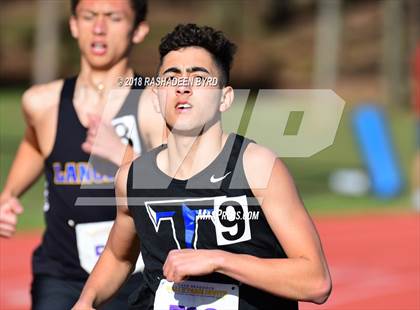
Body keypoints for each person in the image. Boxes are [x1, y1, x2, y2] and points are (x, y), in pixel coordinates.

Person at [73, 24, 332, 310]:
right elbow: (118, 256)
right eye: (171, 78)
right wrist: (86, 301)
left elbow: (316, 282)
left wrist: (218, 260)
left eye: (199, 78)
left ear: (225, 98)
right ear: (157, 97)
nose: (183, 87)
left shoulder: (257, 167)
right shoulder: (133, 178)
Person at [0, 0, 163, 309]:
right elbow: (35, 144)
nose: (98, 28)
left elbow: (182, 187)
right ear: (74, 25)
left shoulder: (156, 104)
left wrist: (124, 155)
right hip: (60, 274)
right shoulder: (42, 102)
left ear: (138, 29)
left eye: (114, 17)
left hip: (134, 274)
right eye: (89, 16)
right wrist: (9, 194)